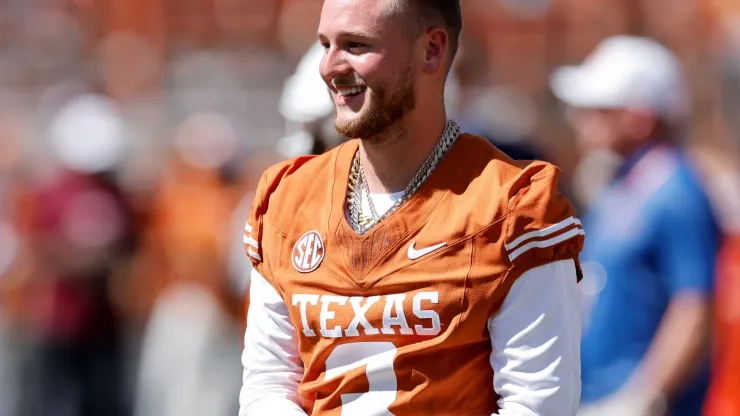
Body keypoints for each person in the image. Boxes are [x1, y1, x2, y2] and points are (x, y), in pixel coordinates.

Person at [239, 0, 585, 415]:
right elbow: (268, 384)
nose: (328, 66)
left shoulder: (513, 208)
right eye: (324, 44)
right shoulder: (286, 197)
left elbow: (538, 404)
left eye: (355, 44)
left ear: (431, 50)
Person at [550, 35, 719, 416]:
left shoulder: (677, 192)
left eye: (599, 108)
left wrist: (644, 397)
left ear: (640, 118)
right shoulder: (624, 185)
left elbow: (694, 307)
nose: (580, 119)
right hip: (597, 397)